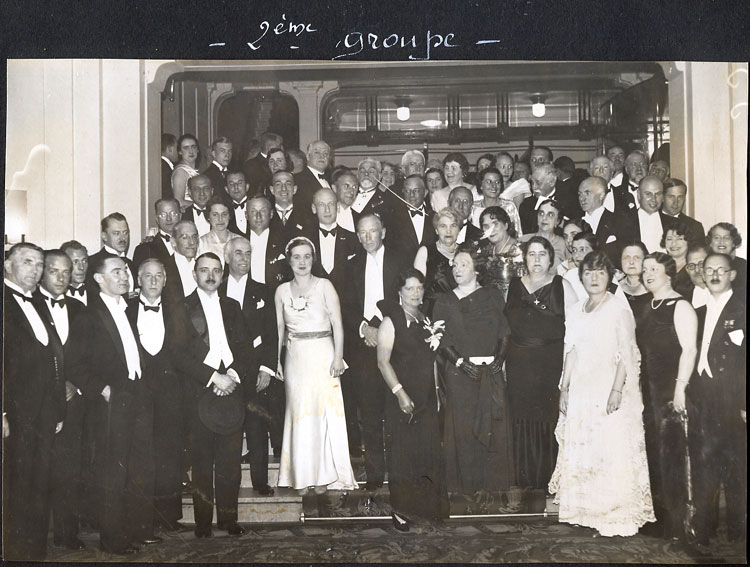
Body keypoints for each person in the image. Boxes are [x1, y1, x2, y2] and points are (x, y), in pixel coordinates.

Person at [549, 250, 656, 537]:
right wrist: (564, 388)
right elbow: (571, 351)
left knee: (609, 449)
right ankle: (586, 512)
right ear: (581, 277)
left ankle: (614, 517)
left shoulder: (618, 309)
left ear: (609, 277)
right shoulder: (576, 310)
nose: (594, 278)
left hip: (610, 387)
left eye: (600, 272)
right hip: (582, 388)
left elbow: (627, 353)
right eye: (588, 272)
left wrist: (617, 390)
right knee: (586, 448)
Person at [66, 255, 156, 555]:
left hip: (136, 395)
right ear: (98, 279)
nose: (124, 277)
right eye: (116, 272)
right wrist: (102, 390)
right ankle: (113, 540)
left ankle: (134, 531)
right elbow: (74, 364)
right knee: (112, 473)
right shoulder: (88, 315)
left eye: (125, 271)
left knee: (136, 467)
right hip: (112, 400)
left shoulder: (126, 309)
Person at [173, 252, 252, 538]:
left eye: (216, 270)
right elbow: (178, 354)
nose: (210, 275)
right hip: (200, 391)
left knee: (230, 463)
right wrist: (213, 377)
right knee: (203, 462)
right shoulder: (181, 307)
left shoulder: (232, 306)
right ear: (194, 274)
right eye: (204, 270)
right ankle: (203, 523)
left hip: (231, 389)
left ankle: (229, 520)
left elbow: (245, 348)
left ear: (223, 275)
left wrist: (232, 375)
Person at [275, 237, 357, 509]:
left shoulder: (325, 286)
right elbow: (279, 330)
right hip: (295, 357)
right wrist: (276, 361)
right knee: (300, 415)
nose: (302, 262)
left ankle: (324, 478)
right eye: (296, 257)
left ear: (313, 259)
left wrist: (338, 356)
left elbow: (338, 324)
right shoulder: (281, 291)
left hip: (324, 354)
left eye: (307, 256)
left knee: (323, 415)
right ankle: (301, 477)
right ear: (289, 260)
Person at [432, 244, 514, 500]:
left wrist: (500, 358)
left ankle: (491, 489)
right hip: (461, 375)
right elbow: (441, 339)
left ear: (476, 269)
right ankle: (465, 489)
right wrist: (459, 363)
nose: (457, 269)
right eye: (455, 265)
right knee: (464, 430)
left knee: (492, 429)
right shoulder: (444, 300)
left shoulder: (492, 296)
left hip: (490, 373)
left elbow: (504, 331)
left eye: (463, 264)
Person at [376, 269, 449, 531]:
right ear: (399, 292)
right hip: (402, 398)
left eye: (419, 288)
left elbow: (431, 361)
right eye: (409, 288)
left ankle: (425, 508)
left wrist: (436, 393)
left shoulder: (424, 318)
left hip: (426, 397)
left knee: (426, 453)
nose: (415, 293)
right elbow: (382, 362)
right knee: (403, 455)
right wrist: (400, 393)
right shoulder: (390, 320)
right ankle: (401, 512)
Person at [3, 243, 63, 560]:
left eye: (39, 264)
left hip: (44, 412)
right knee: (15, 485)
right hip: (14, 413)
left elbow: (52, 358)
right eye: (28, 262)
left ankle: (34, 552)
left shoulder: (38, 301)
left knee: (40, 482)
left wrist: (57, 409)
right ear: (8, 265)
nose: (35, 270)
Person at [342, 214, 408, 491]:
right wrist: (363, 328)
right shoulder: (349, 266)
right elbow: (344, 305)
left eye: (373, 231)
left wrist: (384, 329)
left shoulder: (400, 261)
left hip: (396, 346)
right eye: (362, 232)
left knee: (396, 409)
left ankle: (401, 473)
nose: (367, 237)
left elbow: (409, 300)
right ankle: (374, 475)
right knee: (368, 412)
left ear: (384, 232)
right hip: (363, 347)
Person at [636, 252, 698, 540]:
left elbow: (690, 350)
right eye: (645, 269)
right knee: (654, 453)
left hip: (671, 391)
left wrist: (679, 390)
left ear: (668, 273)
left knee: (673, 455)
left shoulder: (680, 306)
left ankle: (679, 524)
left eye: (653, 269)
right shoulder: (647, 306)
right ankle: (660, 519)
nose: (647, 273)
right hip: (649, 391)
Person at [504, 236, 574, 490]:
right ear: (524, 258)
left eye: (542, 254)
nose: (536, 259)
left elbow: (576, 330)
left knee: (547, 417)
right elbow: (505, 328)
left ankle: (547, 481)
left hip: (549, 363)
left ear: (550, 258)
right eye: (531, 254)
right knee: (520, 418)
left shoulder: (562, 286)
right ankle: (523, 481)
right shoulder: (513, 286)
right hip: (518, 364)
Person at [33, 250, 87, 550]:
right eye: (54, 271)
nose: (62, 277)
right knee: (38, 470)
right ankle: (34, 539)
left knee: (70, 469)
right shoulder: (29, 305)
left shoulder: (79, 308)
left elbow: (90, 355)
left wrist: (76, 384)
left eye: (67, 271)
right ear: (43, 272)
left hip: (74, 400)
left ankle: (68, 534)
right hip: (40, 403)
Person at [127, 258, 186, 533]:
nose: (153, 281)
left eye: (158, 276)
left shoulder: (177, 310)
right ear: (138, 280)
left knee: (169, 453)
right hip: (137, 393)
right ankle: (142, 518)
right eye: (147, 276)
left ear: (165, 280)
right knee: (139, 455)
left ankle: (169, 516)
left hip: (171, 393)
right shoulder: (125, 309)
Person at [691, 253, 746, 545]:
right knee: (705, 461)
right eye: (708, 269)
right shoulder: (698, 311)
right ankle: (705, 527)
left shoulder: (742, 308)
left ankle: (738, 532)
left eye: (720, 270)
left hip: (732, 397)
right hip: (703, 395)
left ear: (732, 275)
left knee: (735, 464)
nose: (713, 274)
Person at [220, 238, 278, 496]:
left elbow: (272, 332)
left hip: (256, 370)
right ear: (227, 258)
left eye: (248, 253)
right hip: (226, 371)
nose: (244, 259)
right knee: (229, 429)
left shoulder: (264, 291)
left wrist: (267, 368)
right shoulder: (216, 289)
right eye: (238, 254)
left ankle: (260, 482)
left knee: (257, 427)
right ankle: (229, 482)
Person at [414, 207, 461, 315]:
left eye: (453, 225)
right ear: (436, 230)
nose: (448, 230)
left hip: (461, 313)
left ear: (459, 229)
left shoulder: (465, 252)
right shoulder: (425, 252)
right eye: (443, 226)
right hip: (433, 313)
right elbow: (416, 289)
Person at [478, 205, 525, 299]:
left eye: (495, 224)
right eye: (486, 226)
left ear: (506, 225)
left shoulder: (520, 250)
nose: (491, 230)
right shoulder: (486, 250)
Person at [87, 212, 136, 295]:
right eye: (116, 233)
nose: (122, 238)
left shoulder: (131, 264)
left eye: (125, 232)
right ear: (104, 236)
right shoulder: (92, 263)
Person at [388, 174, 435, 260]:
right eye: (407, 191)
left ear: (425, 192)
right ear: (403, 192)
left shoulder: (435, 217)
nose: (411, 195)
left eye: (416, 191)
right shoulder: (392, 218)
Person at [133, 198, 182, 272]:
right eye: (163, 215)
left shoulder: (191, 244)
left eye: (173, 213)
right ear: (156, 218)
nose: (168, 219)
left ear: (180, 216)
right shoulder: (144, 249)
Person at [471, 167, 523, 238]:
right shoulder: (473, 207)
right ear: (481, 185)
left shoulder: (509, 206)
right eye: (489, 182)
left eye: (497, 182)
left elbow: (518, 234)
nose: (494, 186)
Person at [520, 200, 567, 273]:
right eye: (541, 213)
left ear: (557, 221)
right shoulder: (523, 240)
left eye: (550, 215)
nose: (544, 218)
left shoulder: (564, 244)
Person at [197, 197, 242, 263]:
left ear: (229, 216)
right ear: (208, 217)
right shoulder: (201, 243)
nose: (220, 219)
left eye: (224, 214)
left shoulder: (239, 240)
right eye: (215, 215)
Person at [706, 222, 746, 292]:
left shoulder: (743, 266)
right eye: (717, 237)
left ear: (733, 243)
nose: (721, 241)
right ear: (710, 243)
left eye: (726, 238)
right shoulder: (704, 264)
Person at [616, 239, 651, 316]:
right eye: (626, 257)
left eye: (637, 257)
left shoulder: (655, 289)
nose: (631, 262)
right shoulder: (614, 288)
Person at [661, 223, 694, 297]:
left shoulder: (694, 267)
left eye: (679, 239)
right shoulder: (659, 266)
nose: (674, 244)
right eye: (669, 239)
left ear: (688, 241)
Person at [171, 133, 201, 210]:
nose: (191, 151)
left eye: (193, 147)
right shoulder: (180, 172)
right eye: (186, 148)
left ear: (197, 150)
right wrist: (203, 205)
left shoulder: (194, 170)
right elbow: (179, 202)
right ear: (180, 152)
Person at [202, 137, 233, 204]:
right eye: (223, 151)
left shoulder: (232, 173)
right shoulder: (207, 175)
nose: (227, 155)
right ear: (213, 154)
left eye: (229, 151)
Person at [62, 239, 90, 305]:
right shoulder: (54, 294)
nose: (81, 267)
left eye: (84, 261)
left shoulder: (97, 291)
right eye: (75, 262)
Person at [225, 170, 250, 235]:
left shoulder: (256, 206)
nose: (236, 187)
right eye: (231, 184)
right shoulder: (224, 211)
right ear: (226, 189)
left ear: (247, 186)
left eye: (240, 183)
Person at [161, 133, 178, 200]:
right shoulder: (164, 168)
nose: (179, 152)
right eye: (177, 148)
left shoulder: (162, 165)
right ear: (170, 149)